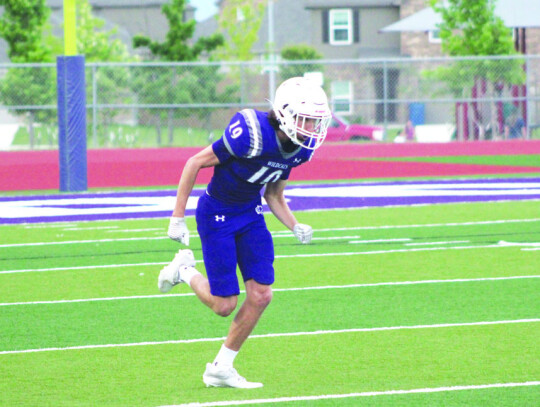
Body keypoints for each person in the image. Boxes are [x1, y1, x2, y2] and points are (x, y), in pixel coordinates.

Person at [158, 77, 332, 388]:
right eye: (306, 120)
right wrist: (177, 217)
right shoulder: (250, 133)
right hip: (218, 213)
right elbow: (195, 162)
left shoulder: (300, 151)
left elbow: (274, 194)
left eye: (316, 121)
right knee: (224, 305)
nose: (312, 128)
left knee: (262, 294)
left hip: (250, 214)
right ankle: (183, 270)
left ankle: (221, 368)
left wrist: (294, 224)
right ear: (284, 113)